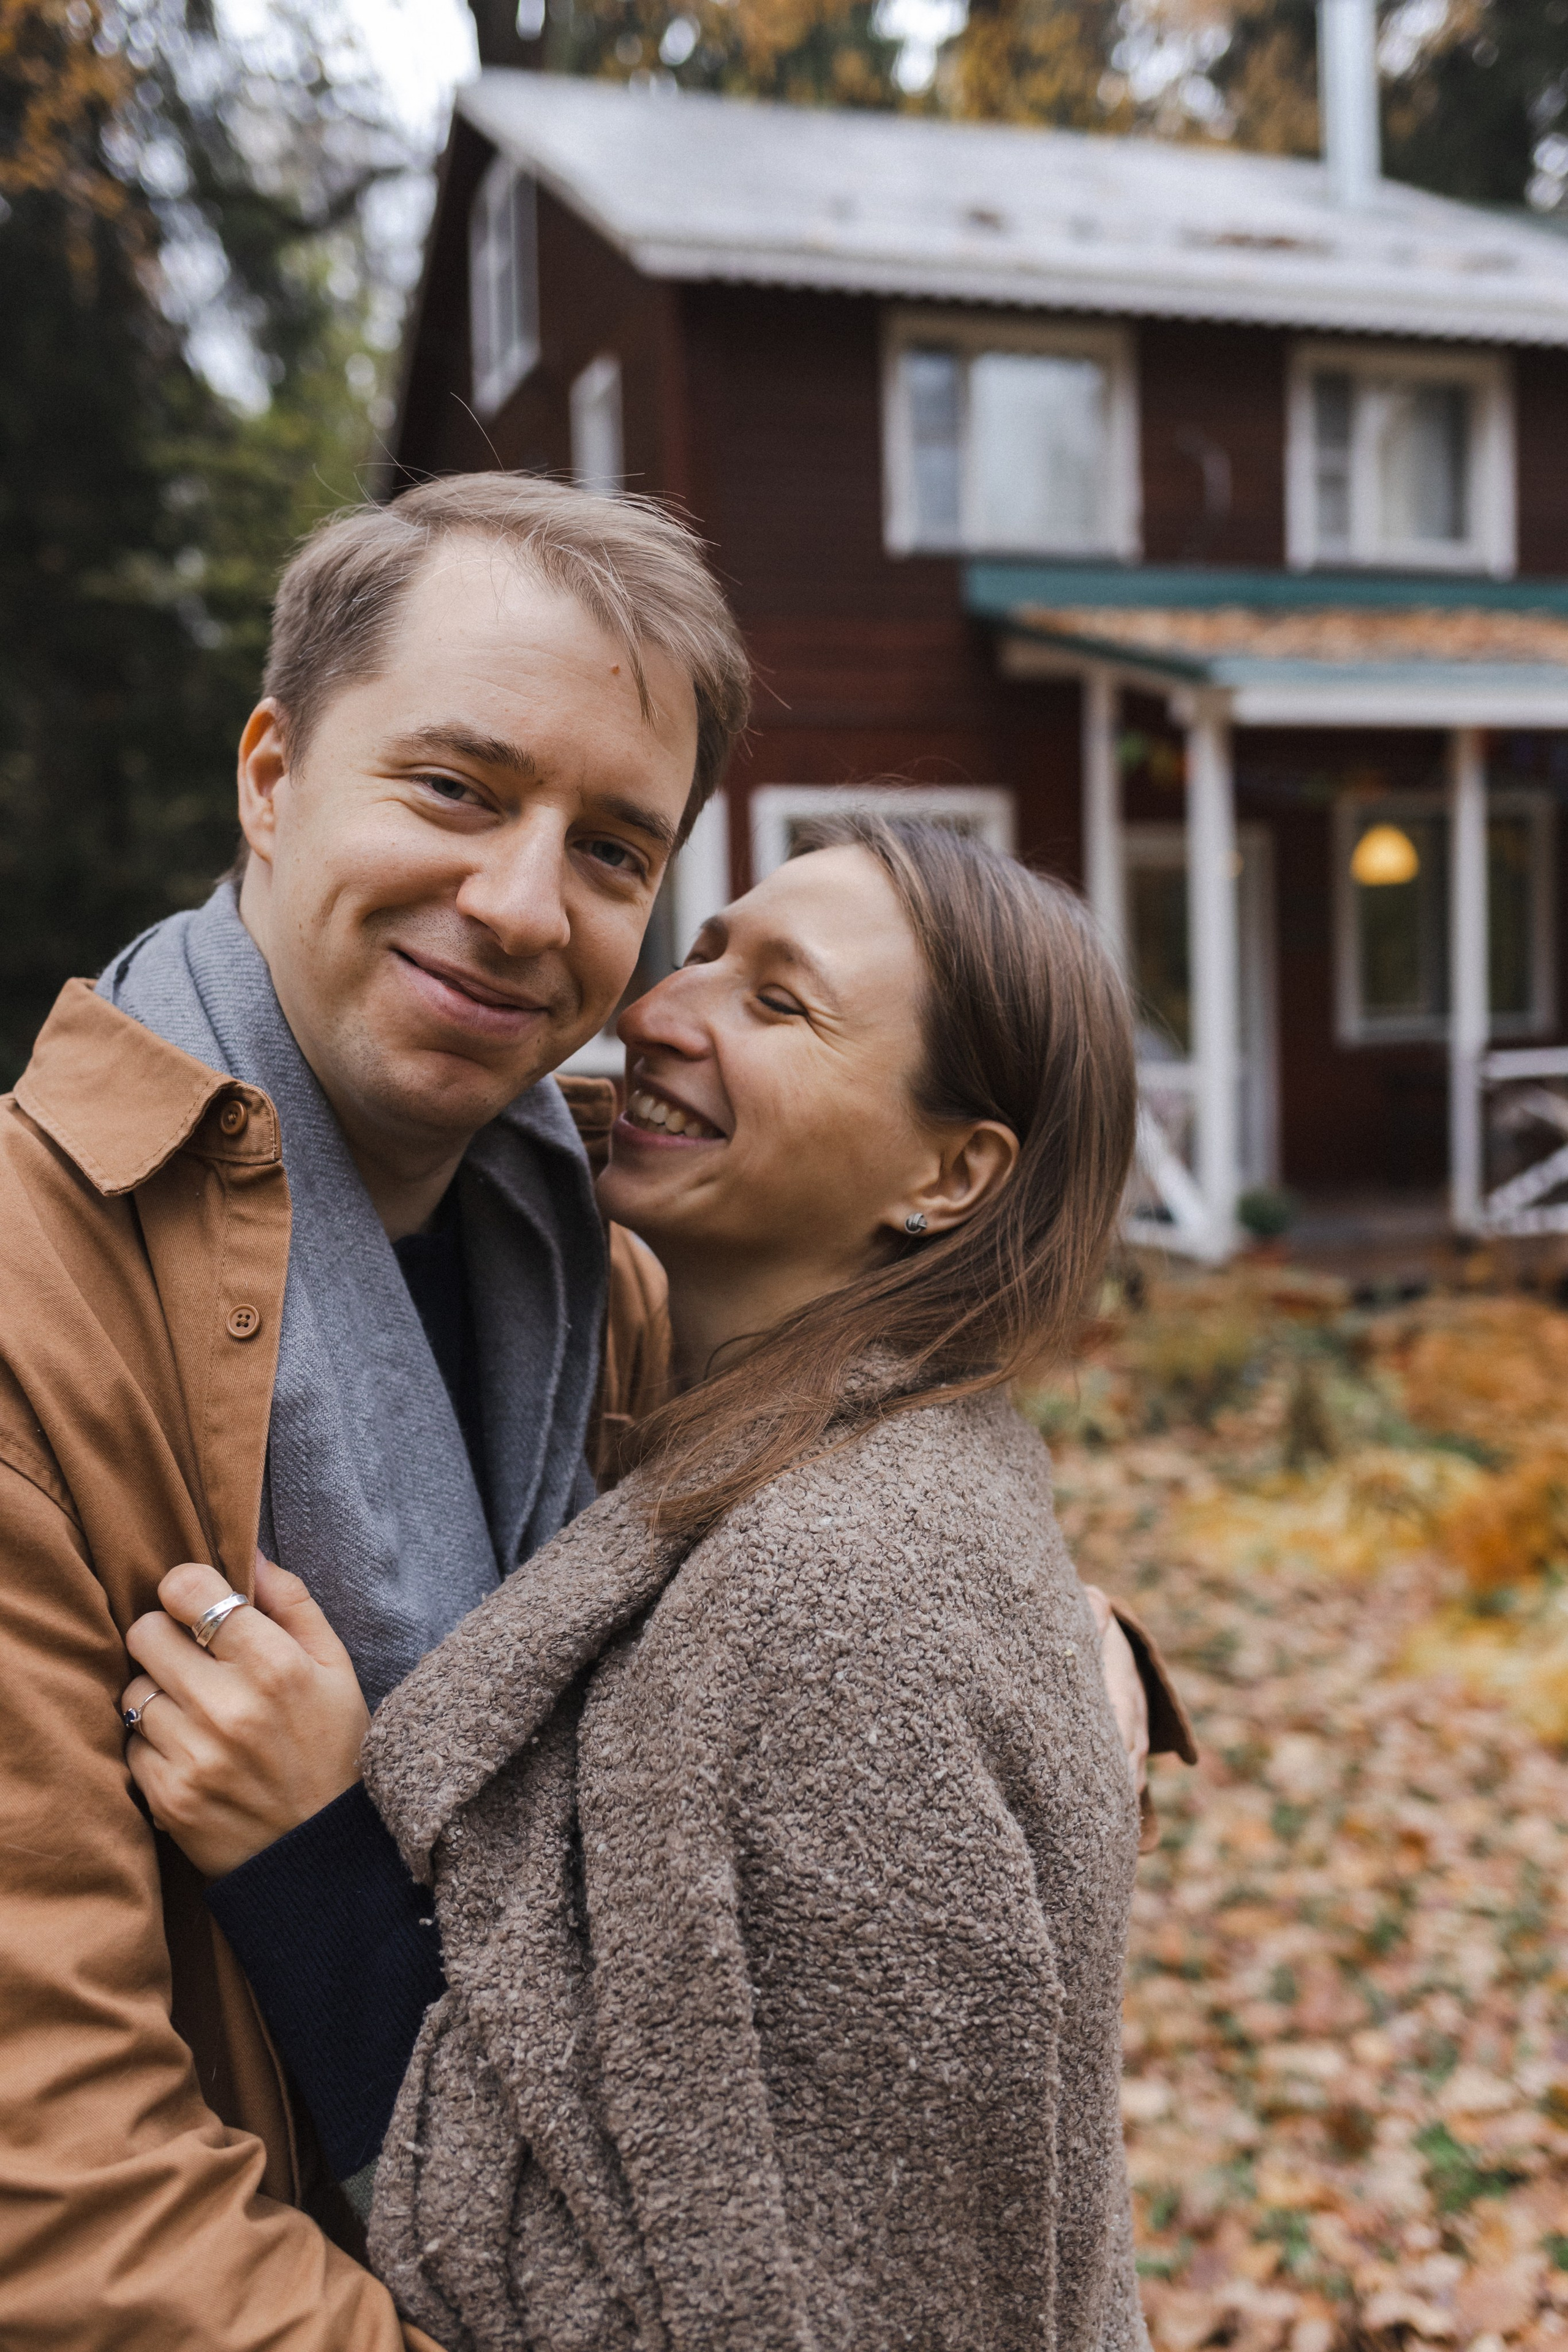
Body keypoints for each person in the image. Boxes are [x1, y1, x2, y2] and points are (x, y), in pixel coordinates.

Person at [123, 815, 1190, 2350]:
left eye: (778, 1002)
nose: (657, 1015)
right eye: (702, 953)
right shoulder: (818, 1468)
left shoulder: (846, 1595)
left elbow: (752, 2309)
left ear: (950, 1174)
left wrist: (311, 1867)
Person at [0, 475, 750, 2350]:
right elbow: (64, 2194)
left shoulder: (599, 1276)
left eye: (611, 849)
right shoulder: (36, 1311)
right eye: (459, 788)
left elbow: (823, 1582)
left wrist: (1037, 1643)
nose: (521, 906)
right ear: (271, 773)